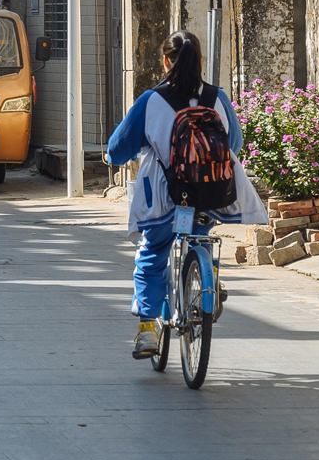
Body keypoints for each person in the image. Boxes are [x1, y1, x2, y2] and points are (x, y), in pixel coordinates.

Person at [105, 30, 268, 357]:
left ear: (165, 61)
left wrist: (113, 157)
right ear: (201, 62)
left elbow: (119, 148)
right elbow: (233, 143)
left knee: (153, 252)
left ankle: (148, 330)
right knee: (200, 237)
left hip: (166, 198)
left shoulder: (151, 100)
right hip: (211, 194)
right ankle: (207, 281)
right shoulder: (217, 98)